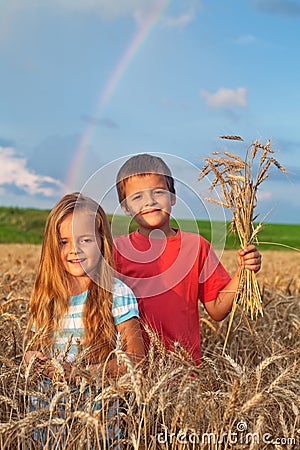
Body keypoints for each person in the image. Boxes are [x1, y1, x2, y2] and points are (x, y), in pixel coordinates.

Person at [113, 154, 261, 365]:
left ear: (173, 197)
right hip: (132, 374)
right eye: (137, 197)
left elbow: (218, 310)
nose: (150, 201)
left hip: (184, 373)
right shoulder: (115, 249)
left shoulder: (196, 246)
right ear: (126, 208)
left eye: (158, 192)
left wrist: (243, 271)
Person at [24, 191, 144, 382]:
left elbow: (136, 359)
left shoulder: (117, 293)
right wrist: (30, 358)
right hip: (44, 409)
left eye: (85, 240)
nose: (74, 249)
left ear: (102, 241)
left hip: (95, 410)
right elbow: (34, 348)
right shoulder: (46, 296)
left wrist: (81, 374)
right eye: (63, 242)